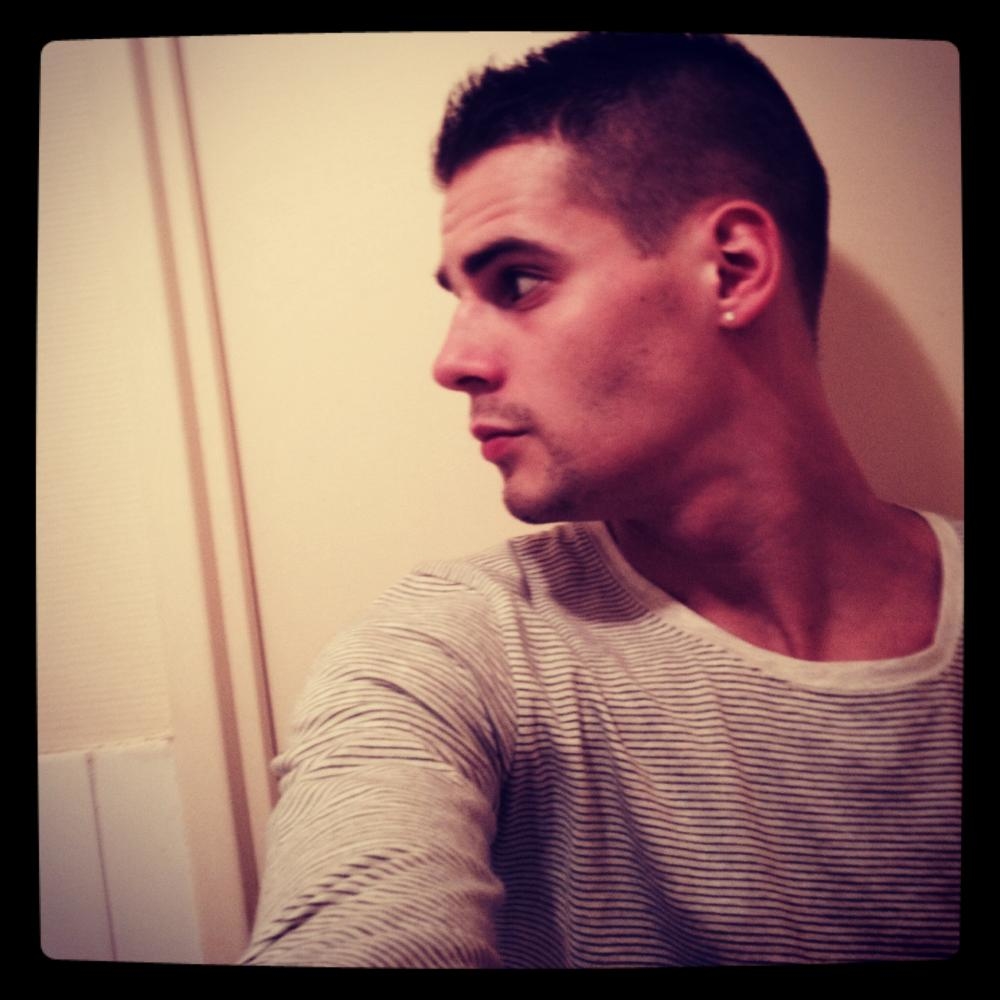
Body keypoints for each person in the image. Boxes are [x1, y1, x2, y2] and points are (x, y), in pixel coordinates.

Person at [242, 33, 961, 967]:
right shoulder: (458, 648)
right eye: (460, 297)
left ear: (733, 268)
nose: (453, 362)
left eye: (518, 281)